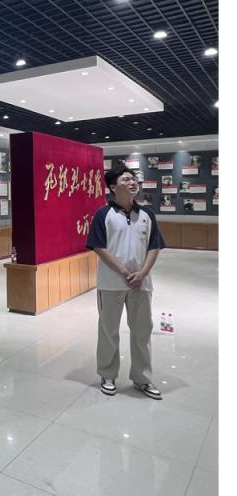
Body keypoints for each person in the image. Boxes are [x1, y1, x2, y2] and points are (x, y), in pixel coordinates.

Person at [86, 167, 166, 399]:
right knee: (108, 331)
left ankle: (142, 378)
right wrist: (124, 272)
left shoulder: (147, 214)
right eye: (127, 179)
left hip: (141, 284)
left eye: (134, 179)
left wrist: (142, 273)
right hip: (110, 283)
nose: (133, 182)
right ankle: (107, 374)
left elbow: (154, 246)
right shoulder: (103, 214)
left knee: (142, 331)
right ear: (113, 187)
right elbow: (99, 247)